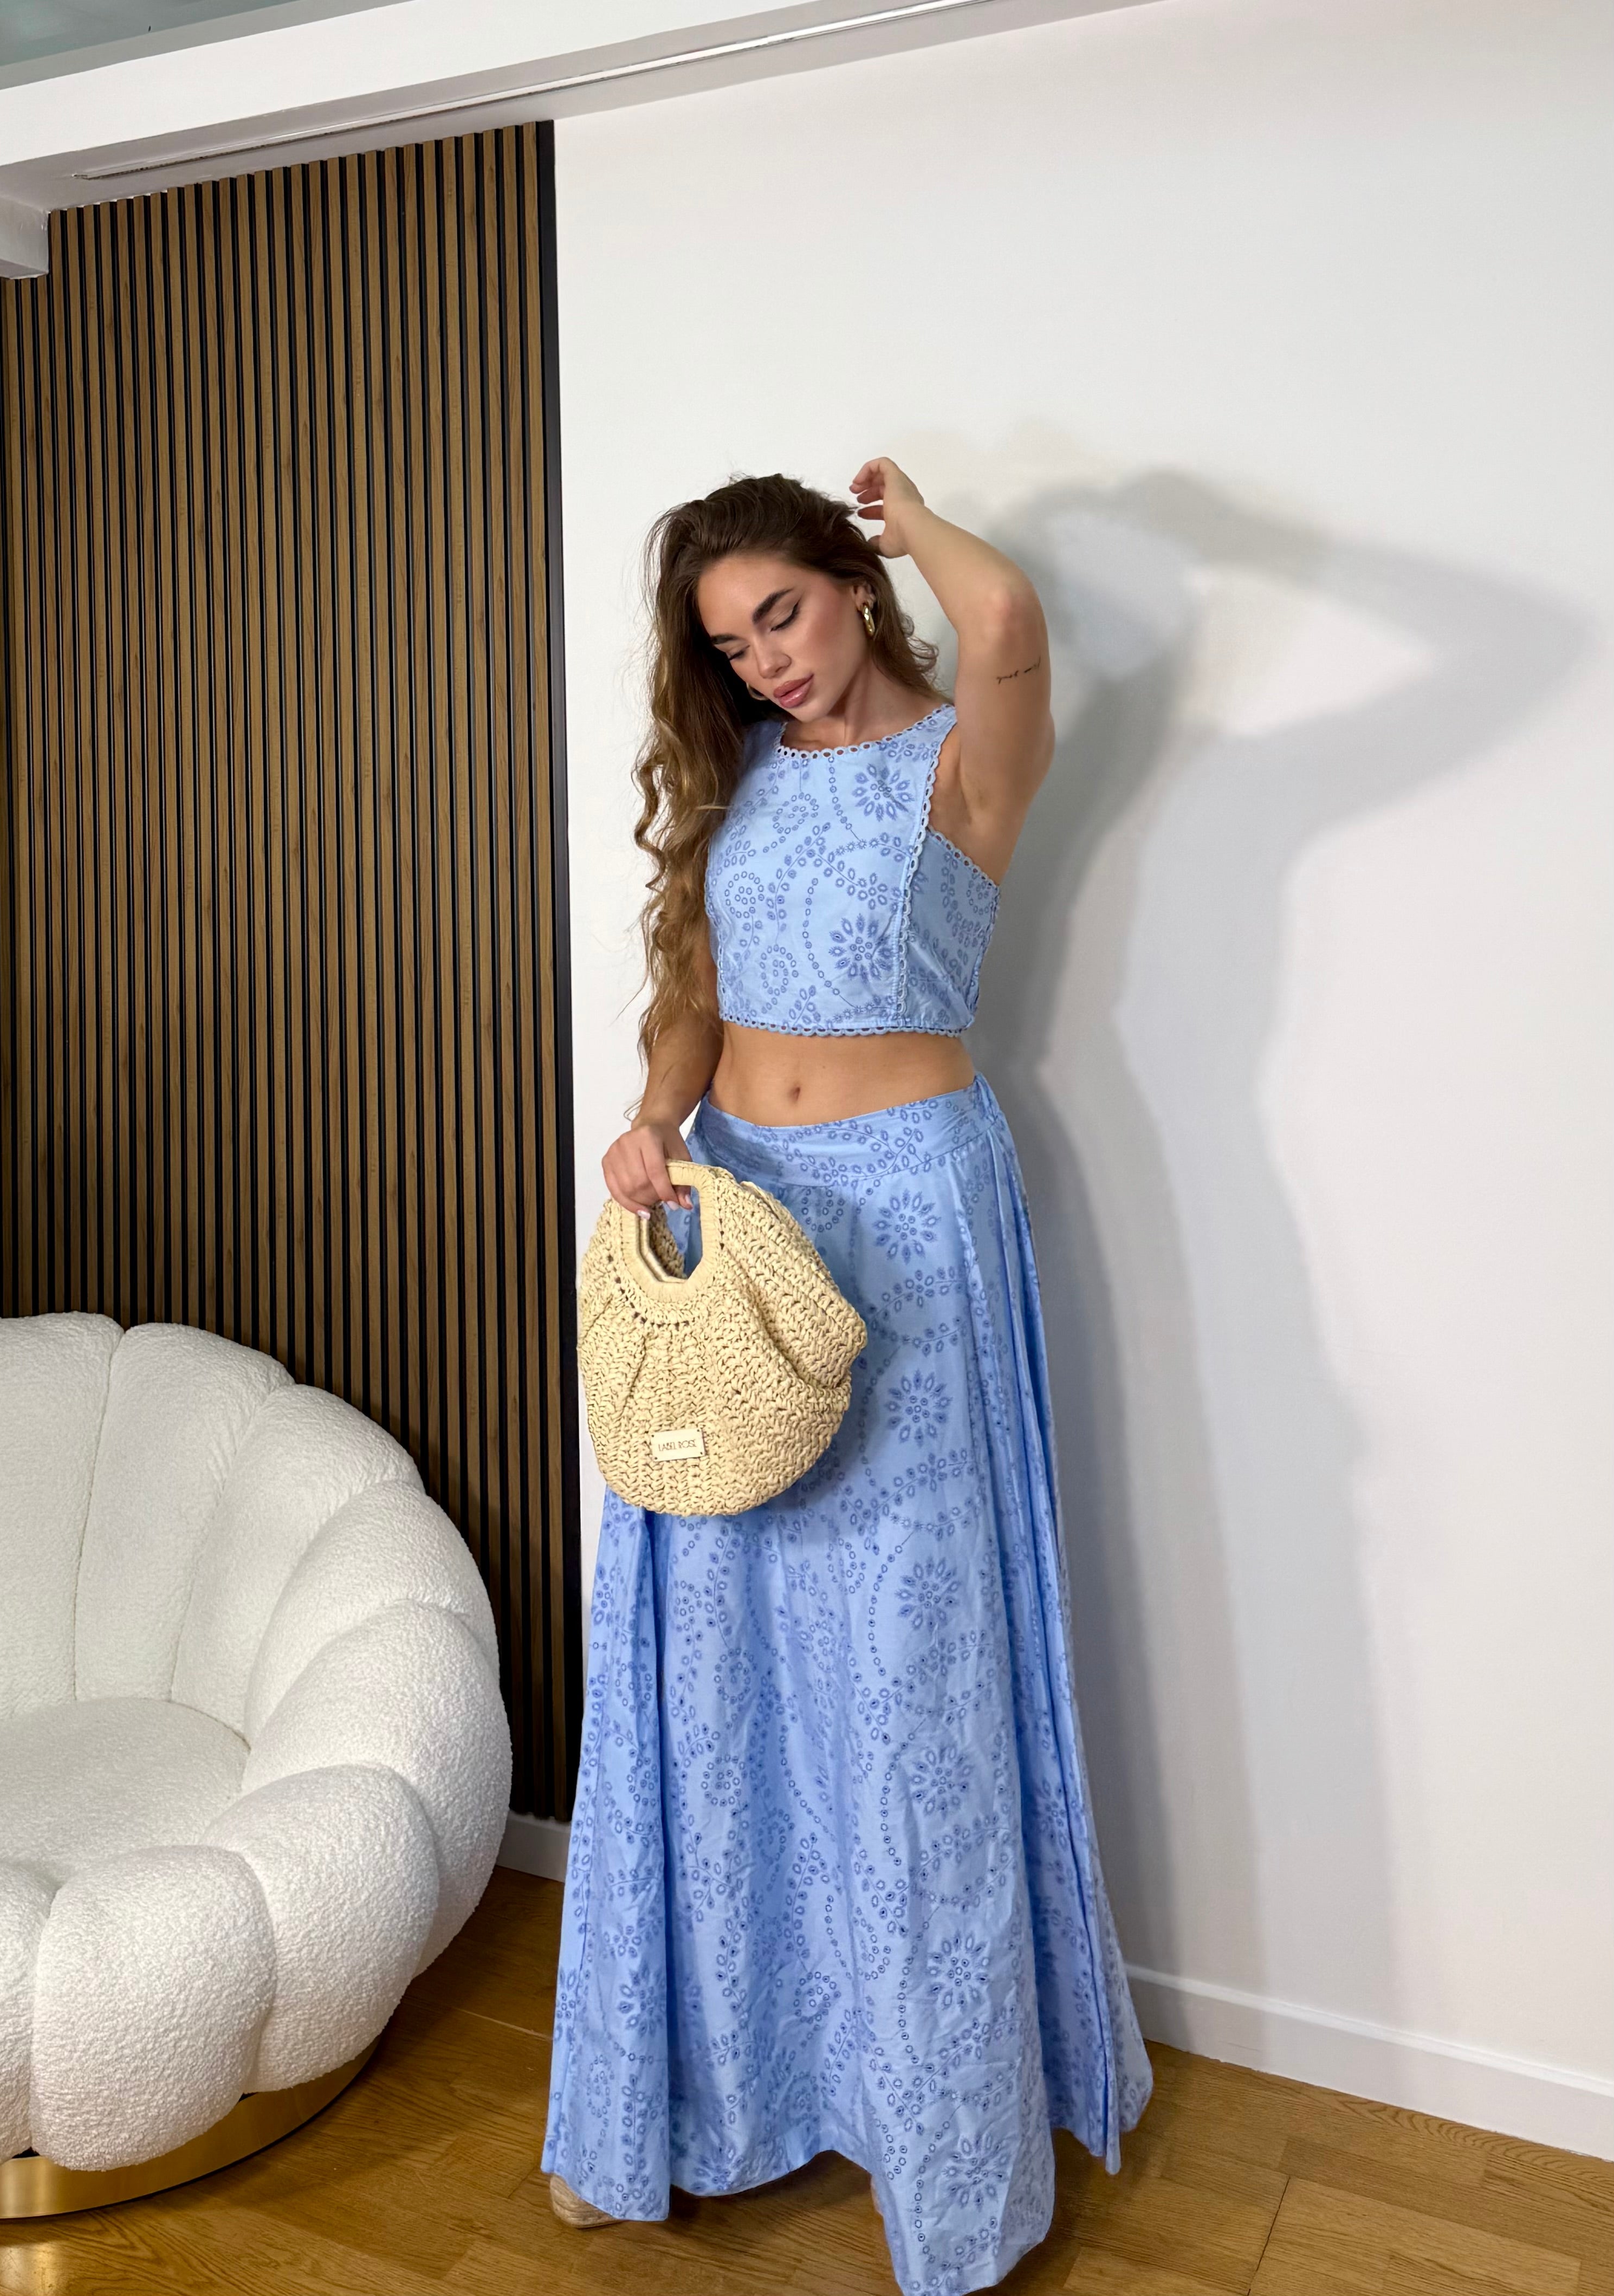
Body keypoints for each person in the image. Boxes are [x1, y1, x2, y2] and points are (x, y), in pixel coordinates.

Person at [542, 458, 1152, 2296]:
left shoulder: (966, 763)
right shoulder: (734, 782)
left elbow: (1009, 619)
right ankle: (705, 2101)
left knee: (906, 1683)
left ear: (850, 583)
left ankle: (940, 2147)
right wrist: (654, 1121)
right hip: (739, 1217)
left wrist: (912, 518)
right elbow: (691, 998)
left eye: (785, 613)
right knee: (721, 1666)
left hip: (910, 1226)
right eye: (733, 646)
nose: (768, 663)